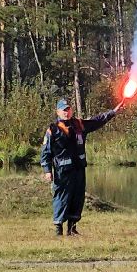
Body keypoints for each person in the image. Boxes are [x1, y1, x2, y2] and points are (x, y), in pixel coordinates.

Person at [41, 95, 122, 237]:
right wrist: (47, 171)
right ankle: (58, 229)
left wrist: (113, 112)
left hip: (78, 169)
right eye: (63, 110)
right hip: (62, 171)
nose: (66, 112)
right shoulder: (52, 129)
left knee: (77, 198)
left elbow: (97, 121)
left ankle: (72, 228)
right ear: (58, 112)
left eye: (68, 109)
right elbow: (45, 152)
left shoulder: (79, 124)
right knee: (62, 198)